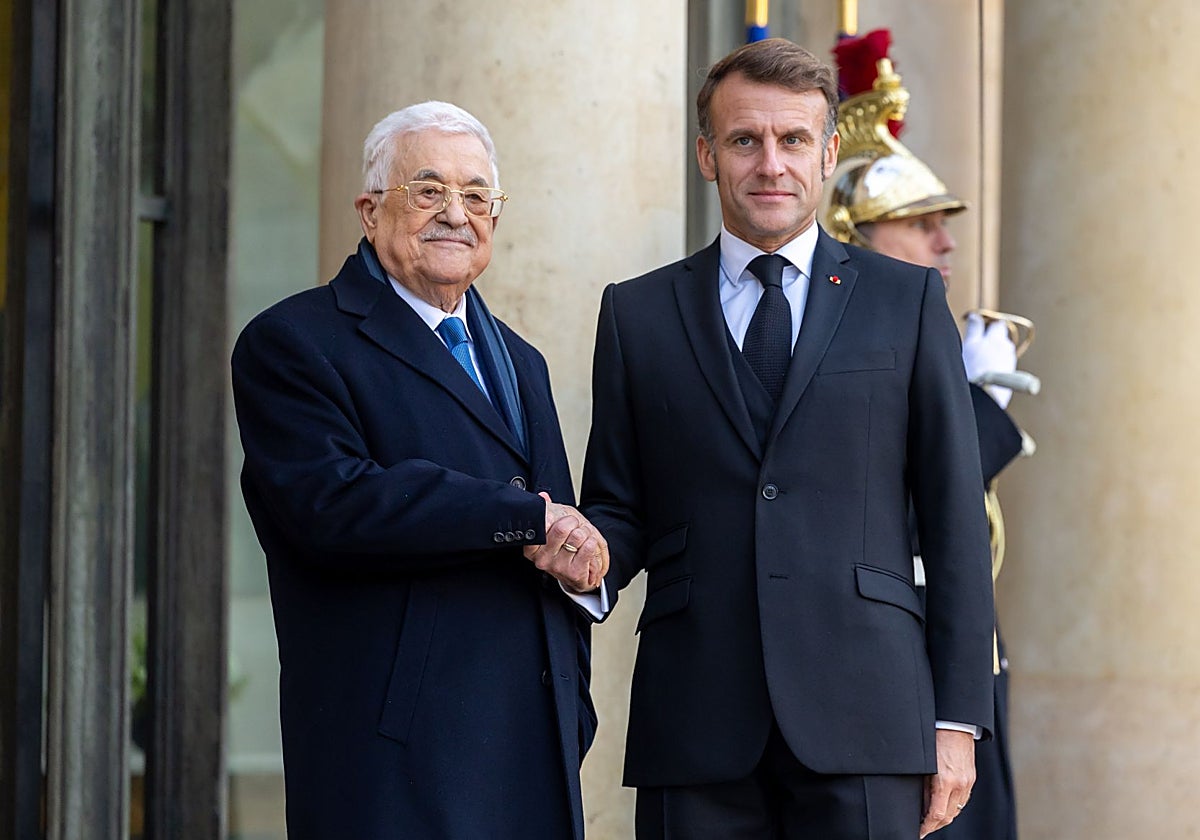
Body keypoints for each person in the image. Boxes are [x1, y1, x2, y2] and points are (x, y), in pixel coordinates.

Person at [580, 39, 994, 839]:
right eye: (745, 140)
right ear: (708, 154)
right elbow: (619, 504)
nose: (770, 163)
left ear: (829, 152)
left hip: (869, 717)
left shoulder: (904, 302)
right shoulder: (635, 314)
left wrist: (958, 719)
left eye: (793, 140)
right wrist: (579, 560)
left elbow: (953, 523)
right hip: (694, 720)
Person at [231, 100, 607, 840]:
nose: (455, 214)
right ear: (370, 211)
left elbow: (552, 516)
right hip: (393, 765)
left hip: (530, 752)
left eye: (476, 196)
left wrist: (581, 568)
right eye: (428, 191)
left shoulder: (519, 359)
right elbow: (332, 506)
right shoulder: (294, 342)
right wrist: (523, 519)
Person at [824, 37, 1029, 840]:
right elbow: (907, 489)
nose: (946, 243)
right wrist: (981, 402)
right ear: (856, 230)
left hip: (960, 655)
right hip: (892, 662)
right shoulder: (845, 340)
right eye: (919, 224)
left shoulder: (921, 328)